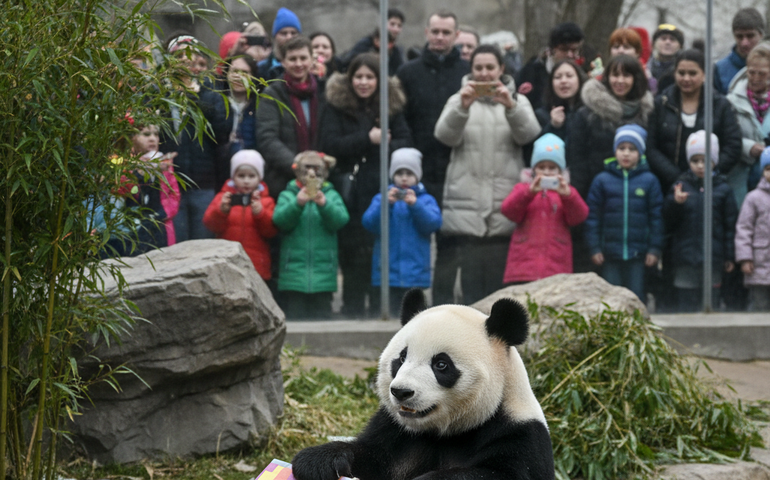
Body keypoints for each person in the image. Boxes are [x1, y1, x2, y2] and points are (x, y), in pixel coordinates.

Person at [434, 44, 541, 304]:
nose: (484, 74)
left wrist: (510, 106)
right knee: (470, 295)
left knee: (499, 295)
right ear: (470, 71)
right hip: (466, 209)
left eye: (490, 67)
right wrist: (462, 107)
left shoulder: (518, 100)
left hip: (503, 208)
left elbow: (530, 135)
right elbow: (444, 136)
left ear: (501, 69)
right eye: (478, 68)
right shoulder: (457, 99)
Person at [320, 52, 411, 317]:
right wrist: (366, 138)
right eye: (358, 76)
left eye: (369, 77)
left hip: (380, 189)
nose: (363, 82)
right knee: (352, 253)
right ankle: (353, 307)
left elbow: (405, 141)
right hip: (350, 190)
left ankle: (378, 308)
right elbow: (330, 144)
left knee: (378, 251)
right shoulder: (336, 107)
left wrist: (387, 142)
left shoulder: (390, 107)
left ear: (379, 80)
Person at [396, 9, 468, 306]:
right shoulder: (407, 73)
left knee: (451, 243)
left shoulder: (467, 72)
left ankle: (443, 306)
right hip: (417, 171)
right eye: (435, 31)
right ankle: (409, 307)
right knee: (413, 239)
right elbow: (399, 119)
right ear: (426, 33)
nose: (439, 37)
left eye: (446, 32)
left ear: (456, 35)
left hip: (457, 169)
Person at [160, 34, 229, 242]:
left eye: (191, 56)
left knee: (203, 245)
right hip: (171, 181)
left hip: (204, 182)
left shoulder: (210, 91)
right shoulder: (160, 93)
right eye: (180, 56)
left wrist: (195, 98)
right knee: (176, 245)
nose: (187, 61)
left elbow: (221, 132)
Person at [585, 125, 664, 302]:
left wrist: (654, 249)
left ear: (640, 153)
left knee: (635, 297)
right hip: (610, 253)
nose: (626, 154)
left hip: (638, 254)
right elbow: (593, 218)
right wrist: (595, 247)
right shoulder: (602, 181)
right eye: (622, 148)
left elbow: (656, 218)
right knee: (611, 298)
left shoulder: (649, 181)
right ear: (615, 151)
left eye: (632, 149)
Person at [647, 49, 742, 194]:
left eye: (692, 73)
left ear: (704, 75)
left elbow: (733, 144)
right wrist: (677, 177)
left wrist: (708, 172)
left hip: (710, 188)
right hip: (668, 186)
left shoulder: (720, 105)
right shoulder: (661, 104)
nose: (686, 79)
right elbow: (652, 147)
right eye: (681, 73)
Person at [361, 149, 442, 316]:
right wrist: (386, 204)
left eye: (409, 173)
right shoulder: (381, 198)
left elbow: (433, 223)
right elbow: (369, 223)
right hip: (387, 272)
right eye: (399, 173)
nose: (404, 178)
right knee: (389, 314)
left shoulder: (426, 200)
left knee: (413, 319)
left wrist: (416, 205)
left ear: (417, 176)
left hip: (415, 273)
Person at [664, 131, 737, 311]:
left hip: (713, 258)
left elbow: (730, 226)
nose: (700, 166)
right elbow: (668, 221)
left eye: (705, 161)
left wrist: (729, 256)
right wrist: (676, 203)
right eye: (695, 161)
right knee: (686, 305)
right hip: (685, 258)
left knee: (711, 304)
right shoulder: (679, 186)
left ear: (714, 162)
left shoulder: (723, 190)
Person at [501, 133, 588, 284]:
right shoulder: (523, 189)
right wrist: (528, 193)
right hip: (523, 269)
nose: (547, 172)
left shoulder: (566, 192)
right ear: (534, 170)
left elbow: (579, 217)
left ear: (560, 172)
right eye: (542, 167)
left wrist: (568, 196)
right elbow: (508, 210)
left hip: (556, 268)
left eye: (552, 168)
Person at [272, 151, 349, 319]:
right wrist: (297, 204)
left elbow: (341, 220)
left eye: (316, 167)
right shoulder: (288, 194)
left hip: (323, 276)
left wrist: (325, 205)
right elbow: (280, 220)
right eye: (307, 167)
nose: (312, 172)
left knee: (322, 318)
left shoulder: (331, 195)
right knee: (295, 319)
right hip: (293, 276)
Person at [567, 54, 654, 200]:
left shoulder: (647, 113)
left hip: (636, 195)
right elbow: (577, 158)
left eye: (626, 75)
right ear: (607, 77)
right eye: (615, 75)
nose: (620, 81)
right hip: (596, 194)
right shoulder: (587, 114)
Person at [257, 36, 324, 199]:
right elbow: (267, 138)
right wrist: (299, 166)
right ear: (283, 62)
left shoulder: (324, 92)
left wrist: (319, 166)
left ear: (311, 59)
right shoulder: (272, 94)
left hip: (322, 179)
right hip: (284, 182)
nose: (298, 64)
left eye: (303, 58)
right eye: (292, 59)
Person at [202, 150, 278, 281]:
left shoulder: (266, 201)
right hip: (227, 264)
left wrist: (260, 214)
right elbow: (210, 224)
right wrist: (222, 211)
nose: (246, 181)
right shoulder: (223, 198)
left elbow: (271, 231)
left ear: (259, 178)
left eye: (251, 176)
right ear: (233, 177)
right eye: (241, 176)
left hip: (256, 265)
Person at [727, 42, 770, 207]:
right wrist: (749, 147)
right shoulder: (732, 100)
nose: (756, 78)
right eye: (752, 72)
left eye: (762, 73)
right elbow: (727, 134)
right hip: (741, 176)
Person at [516, 22, 585, 111]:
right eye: (564, 49)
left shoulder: (583, 74)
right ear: (552, 50)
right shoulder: (530, 74)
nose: (570, 55)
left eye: (574, 50)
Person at [131, 124, 180, 246]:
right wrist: (139, 172)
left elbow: (174, 194)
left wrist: (164, 213)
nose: (152, 139)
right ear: (133, 138)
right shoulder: (128, 165)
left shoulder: (166, 164)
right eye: (146, 134)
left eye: (156, 134)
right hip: (136, 224)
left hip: (162, 224)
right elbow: (128, 192)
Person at [735, 148, 770, 311]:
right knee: (759, 306)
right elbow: (744, 229)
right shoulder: (753, 198)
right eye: (768, 169)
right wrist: (745, 259)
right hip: (759, 265)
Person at [220, 55, 259, 185]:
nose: (239, 77)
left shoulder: (260, 105)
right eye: (234, 71)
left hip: (251, 174)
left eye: (245, 72)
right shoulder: (216, 102)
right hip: (220, 170)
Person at [534, 59, 587, 141]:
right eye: (558, 77)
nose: (563, 81)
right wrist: (553, 126)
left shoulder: (589, 112)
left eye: (569, 76)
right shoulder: (542, 115)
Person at [715, 8, 764, 94]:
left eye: (750, 36)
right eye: (739, 37)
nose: (744, 43)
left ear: (761, 35)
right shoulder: (719, 70)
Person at [257, 7, 301, 81]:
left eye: (293, 33)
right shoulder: (261, 69)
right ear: (275, 36)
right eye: (284, 33)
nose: (289, 37)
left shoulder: (306, 67)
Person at [648, 24, 684, 90]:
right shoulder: (647, 68)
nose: (667, 42)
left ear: (680, 46)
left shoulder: (684, 70)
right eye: (663, 38)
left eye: (672, 39)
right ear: (654, 44)